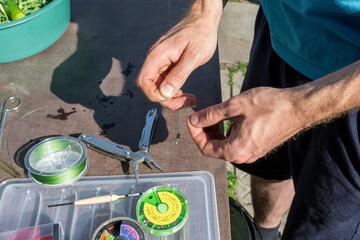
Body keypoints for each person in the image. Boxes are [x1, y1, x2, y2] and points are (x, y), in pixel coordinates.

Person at [136, 0, 360, 239]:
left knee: (319, 227)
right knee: (268, 166)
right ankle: (264, 231)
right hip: (282, 26)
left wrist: (297, 109)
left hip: (351, 84)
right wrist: (205, 12)